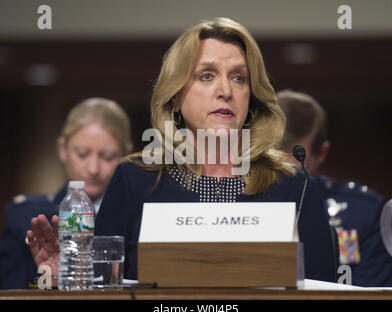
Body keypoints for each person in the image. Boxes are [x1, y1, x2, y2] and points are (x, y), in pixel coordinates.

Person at [27, 18, 336, 284]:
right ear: (175, 96)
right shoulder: (134, 180)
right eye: (206, 75)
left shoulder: (294, 186)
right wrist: (66, 281)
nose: (225, 91)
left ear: (251, 96)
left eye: (239, 78)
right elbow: (104, 293)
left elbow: (325, 294)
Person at [0, 98, 132, 289]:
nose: (93, 168)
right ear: (63, 150)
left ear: (124, 156)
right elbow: (9, 290)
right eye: (82, 153)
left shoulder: (137, 218)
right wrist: (49, 281)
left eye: (108, 156)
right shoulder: (23, 217)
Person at [277, 89, 392, 286]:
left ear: (321, 153)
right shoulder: (232, 202)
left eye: (294, 169)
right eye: (271, 165)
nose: (284, 180)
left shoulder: (363, 212)